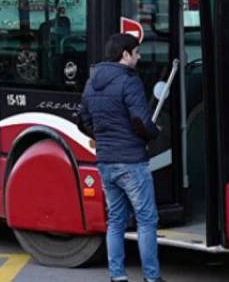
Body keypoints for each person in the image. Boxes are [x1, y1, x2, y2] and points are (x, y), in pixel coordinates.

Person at [78, 33, 165, 282]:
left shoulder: (92, 82)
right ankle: (152, 277)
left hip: (105, 160)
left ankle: (118, 277)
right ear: (125, 55)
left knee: (115, 219)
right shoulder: (129, 81)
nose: (138, 58)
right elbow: (140, 120)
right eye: (136, 53)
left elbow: (83, 120)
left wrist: (103, 138)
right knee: (146, 219)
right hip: (131, 161)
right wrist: (153, 133)